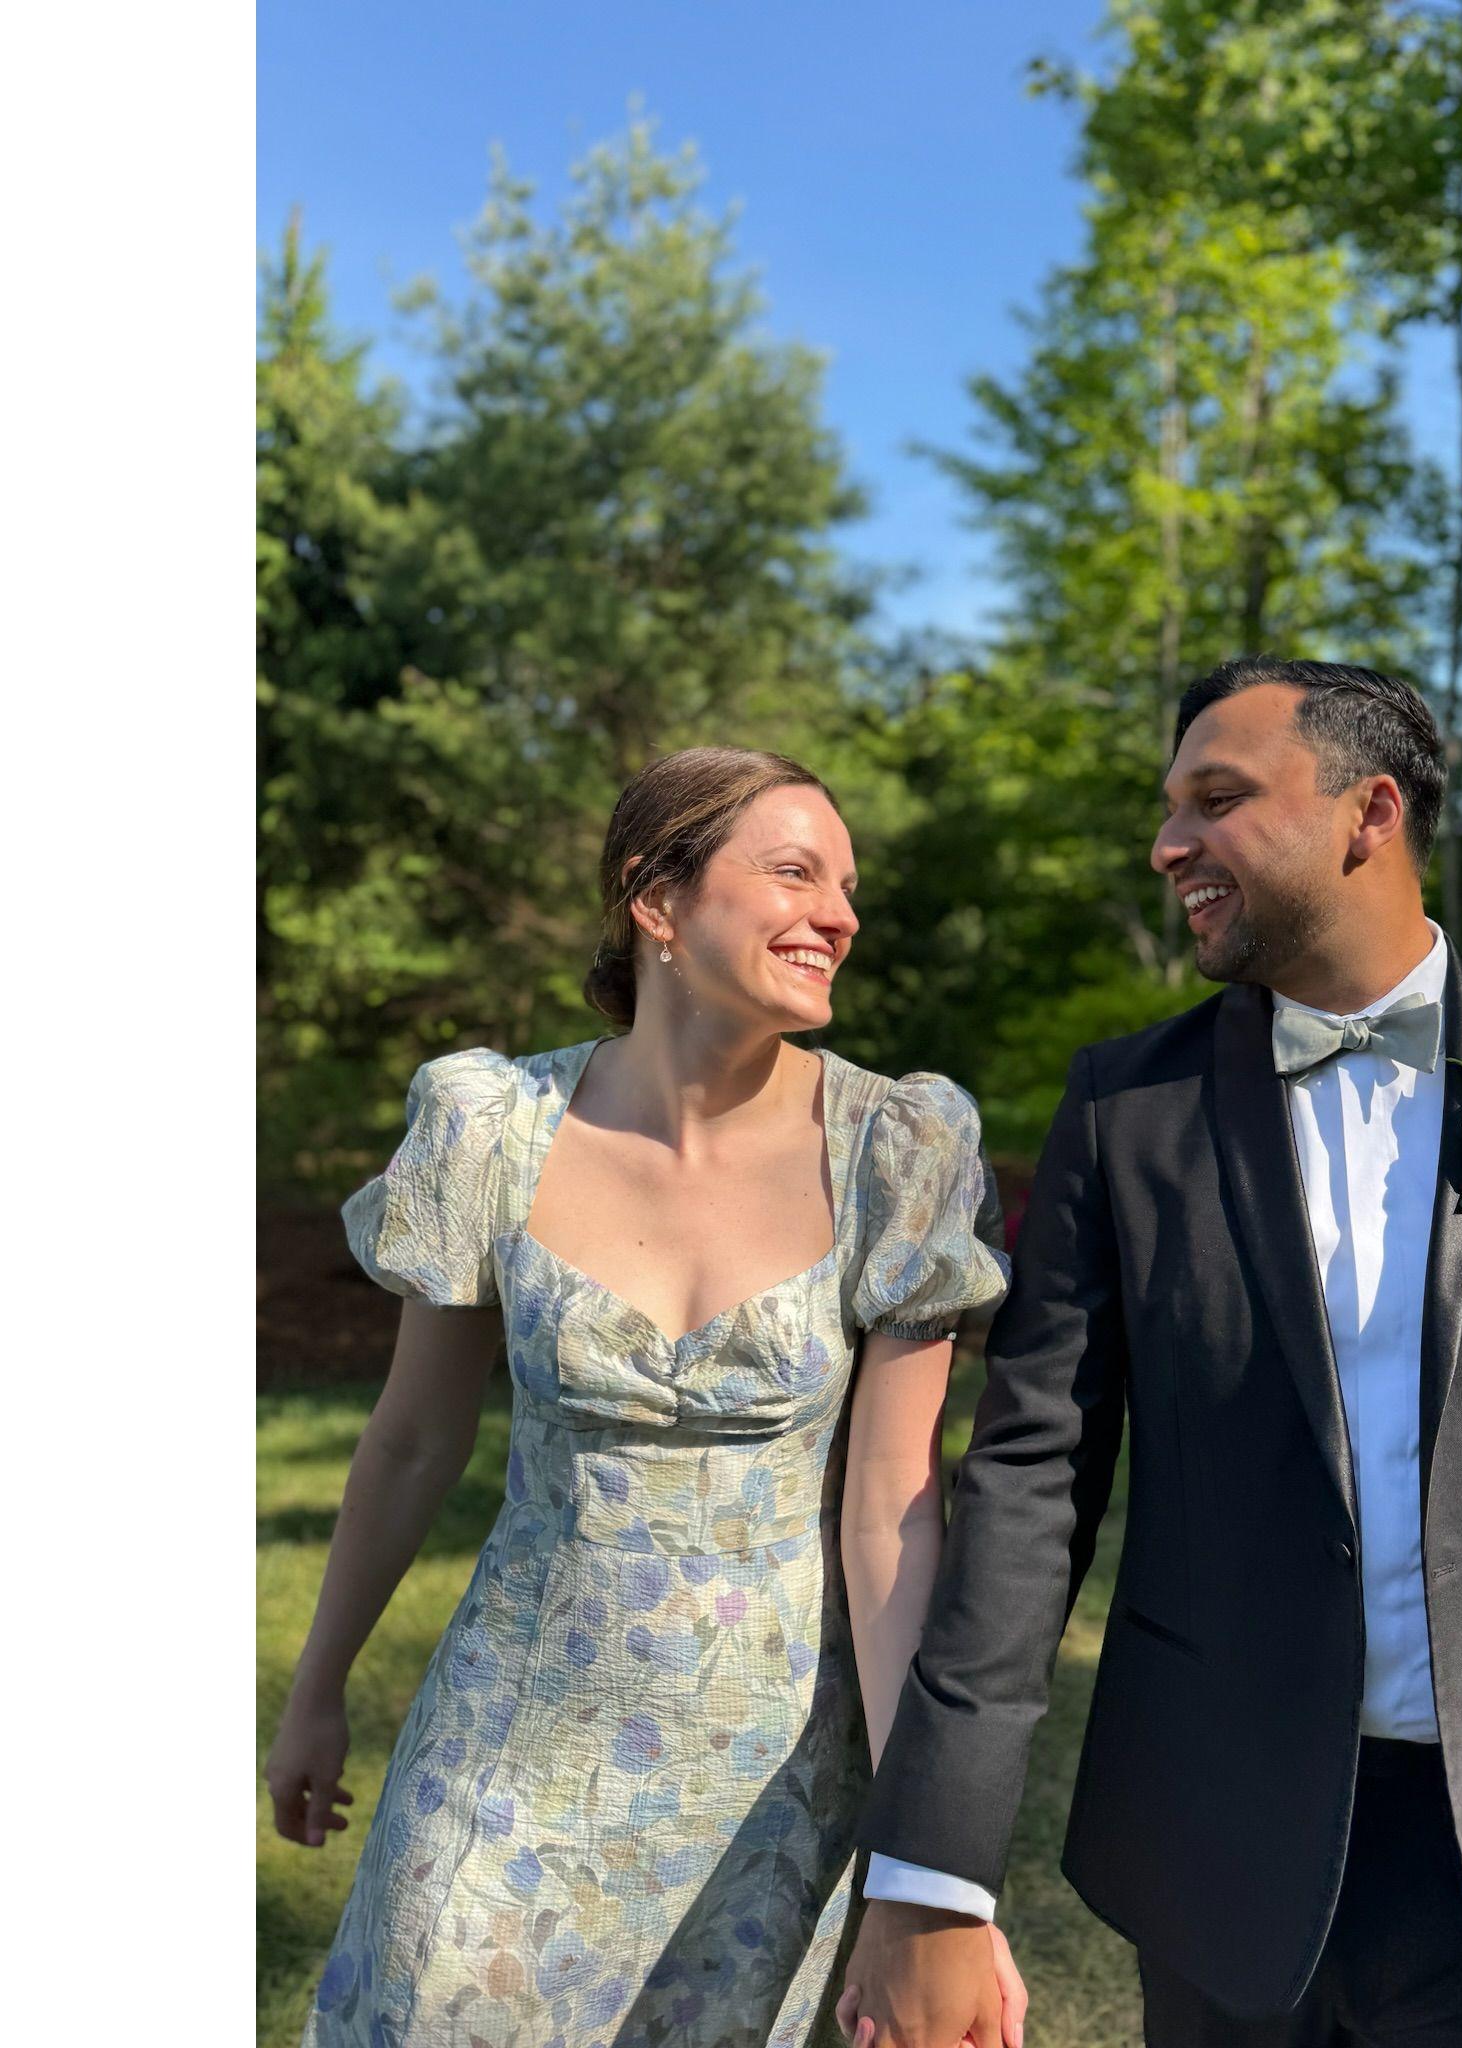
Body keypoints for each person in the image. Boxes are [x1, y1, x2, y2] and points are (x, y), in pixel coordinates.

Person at [841, 661, 1462, 2048]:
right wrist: (934, 1872)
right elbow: (1031, 1490)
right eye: (1169, 807)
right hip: (1218, 1857)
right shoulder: (1125, 1111)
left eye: (1216, 800)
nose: (1169, 844)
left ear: (1371, 813)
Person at [266, 746, 1026, 2048]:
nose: (841, 915)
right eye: (796, 872)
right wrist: (318, 1688)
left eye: (848, 886)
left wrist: (922, 1864)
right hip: (504, 1752)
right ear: (655, 899)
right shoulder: (489, 1125)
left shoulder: (900, 1148)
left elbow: (893, 1514)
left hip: (771, 1789)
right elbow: (410, 1442)